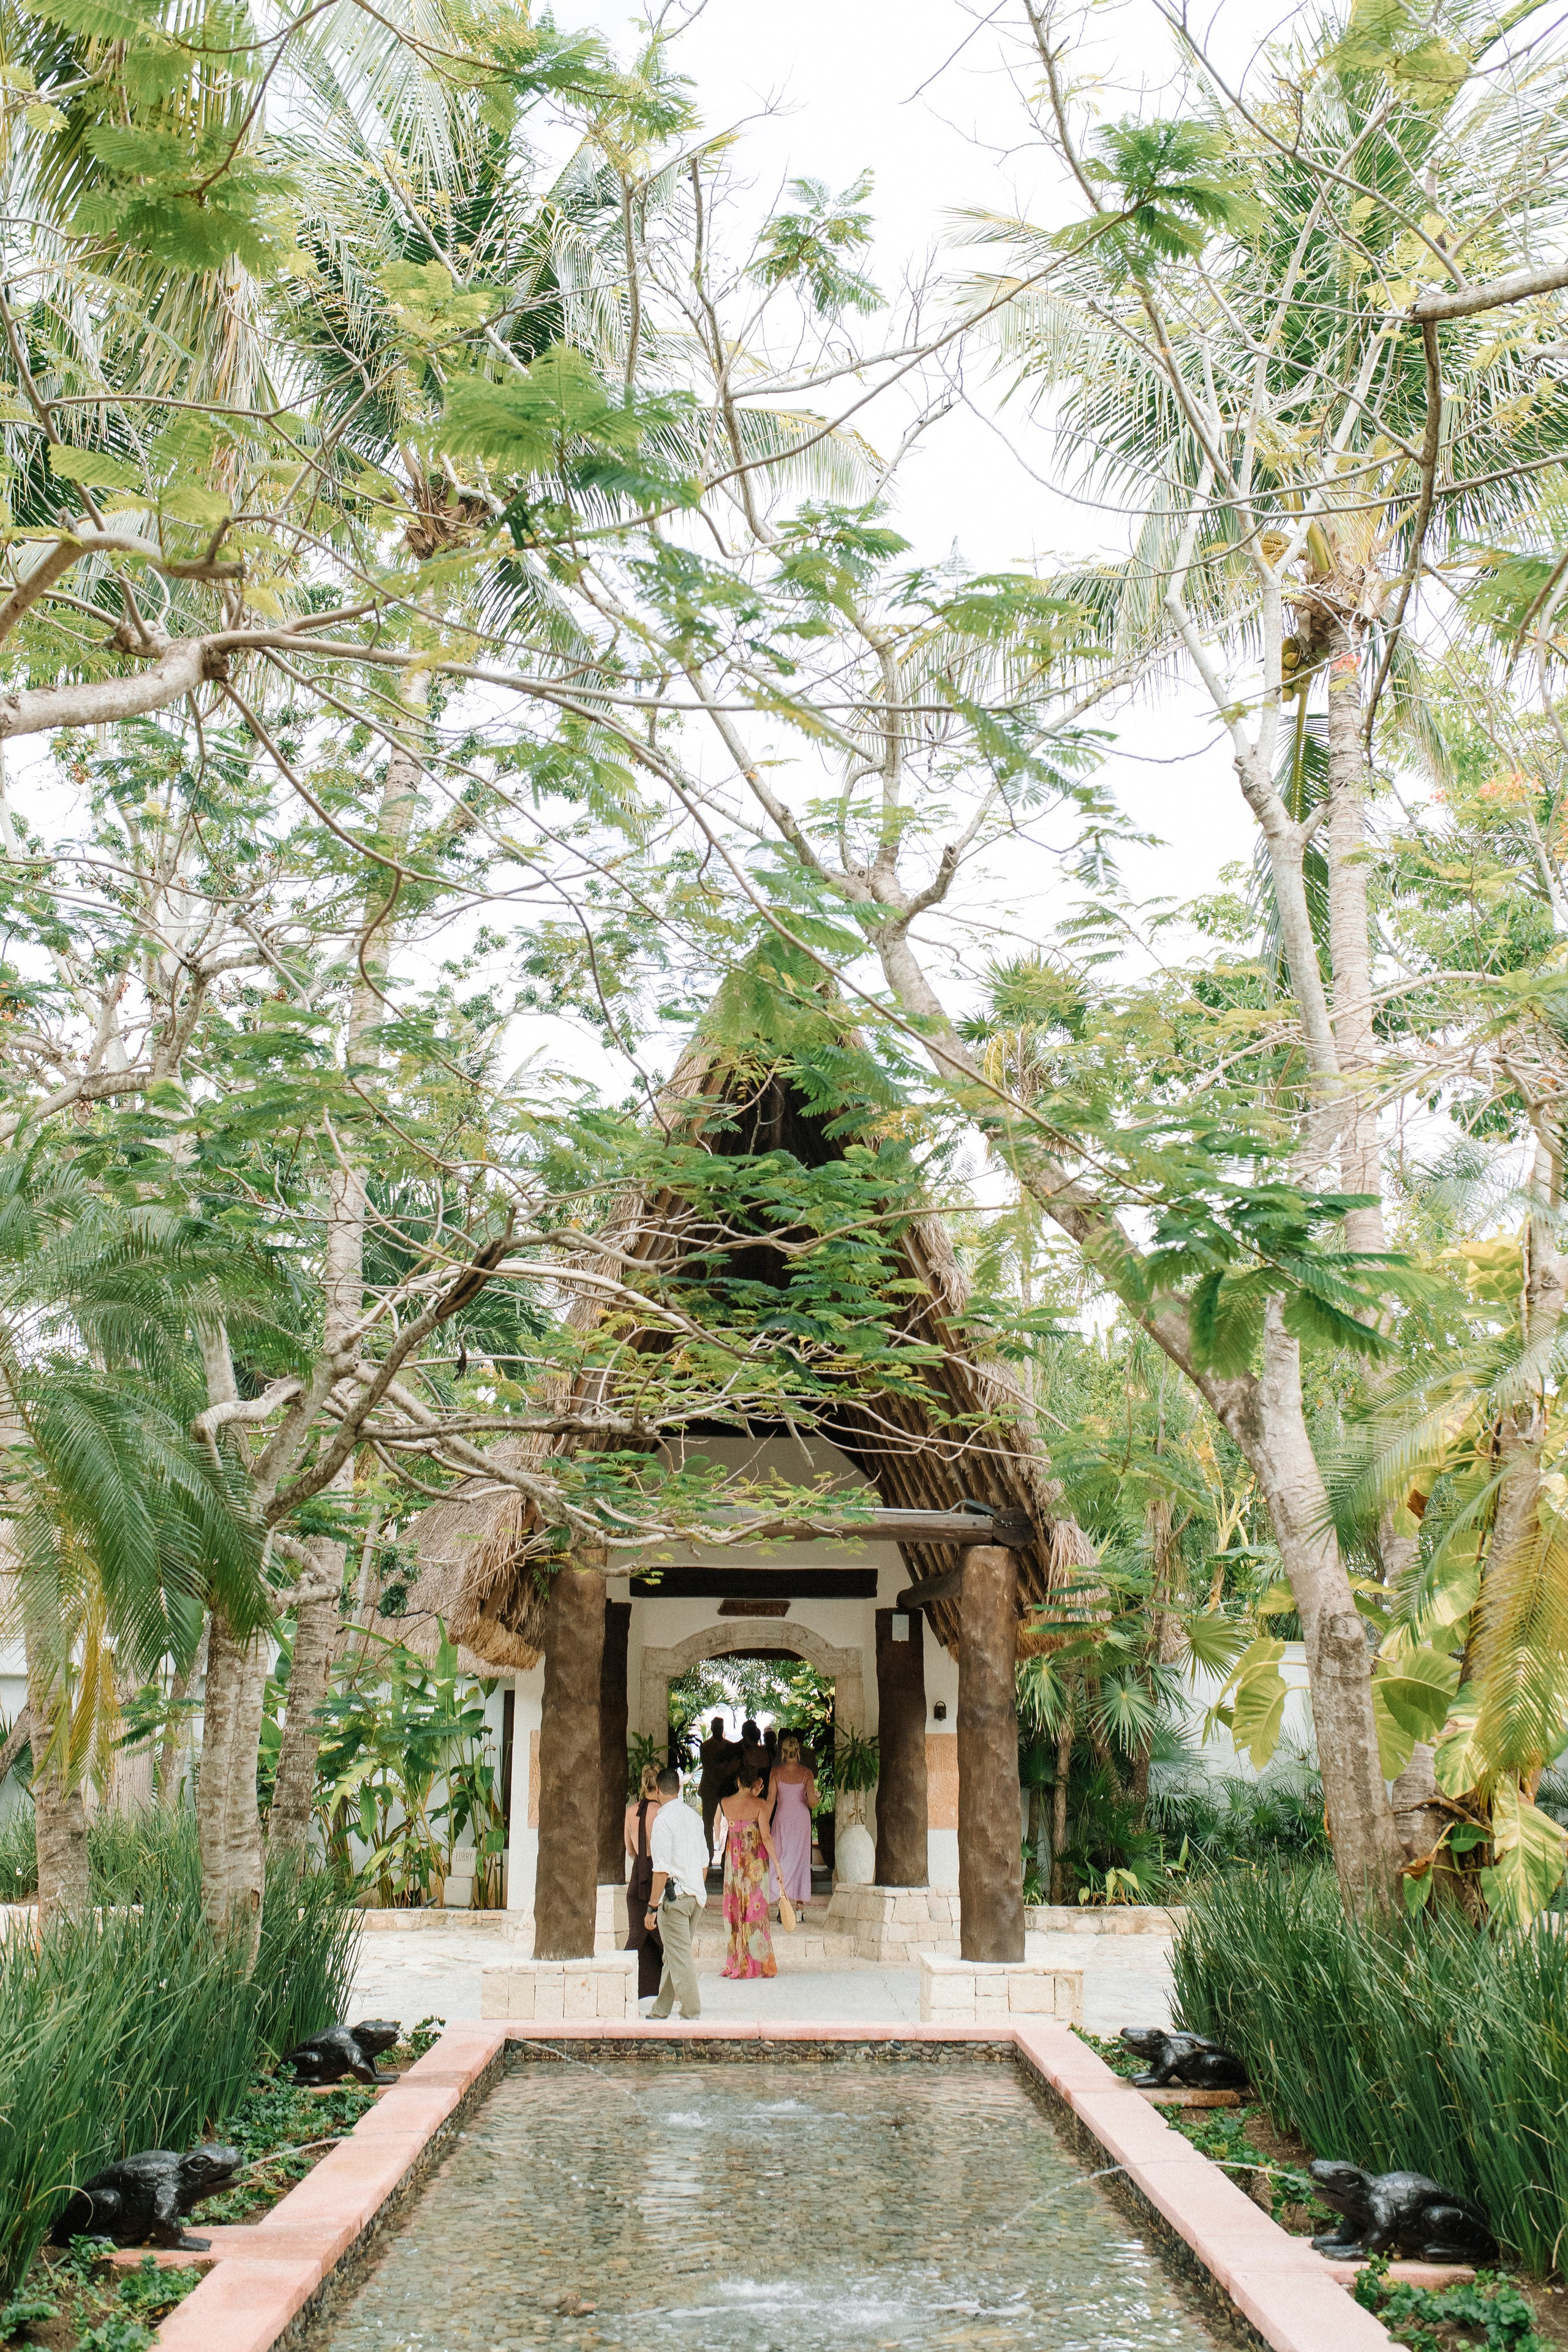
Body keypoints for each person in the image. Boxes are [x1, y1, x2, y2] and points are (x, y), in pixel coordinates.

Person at [645, 1768, 710, 2020]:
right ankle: (660, 2009)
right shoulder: (694, 1818)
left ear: (658, 1791)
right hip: (696, 1897)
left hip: (676, 1898)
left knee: (680, 1957)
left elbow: (660, 1871)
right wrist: (695, 1888)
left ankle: (692, 2011)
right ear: (679, 1788)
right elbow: (704, 1863)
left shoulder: (662, 1821)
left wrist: (652, 1907)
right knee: (673, 1954)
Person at [717, 1765, 780, 1980]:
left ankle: (736, 1960)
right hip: (755, 1863)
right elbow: (767, 1837)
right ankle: (756, 1962)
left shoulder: (725, 1803)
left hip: (733, 1862)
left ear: (737, 1781)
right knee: (755, 1911)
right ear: (755, 1784)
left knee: (734, 1909)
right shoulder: (760, 1804)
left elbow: (718, 1830)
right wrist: (778, 1867)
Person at [623, 1763, 665, 2000]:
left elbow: (630, 1850)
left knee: (635, 1937)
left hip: (637, 1877)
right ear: (659, 1786)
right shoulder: (663, 1813)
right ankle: (672, 1991)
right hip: (659, 1877)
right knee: (665, 1938)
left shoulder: (630, 1812)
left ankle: (625, 1987)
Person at [767, 1732, 818, 1914]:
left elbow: (770, 1802)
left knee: (780, 1859)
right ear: (798, 1752)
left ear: (783, 1753)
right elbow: (811, 1802)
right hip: (801, 1820)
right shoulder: (807, 1773)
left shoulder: (775, 1773)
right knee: (800, 1860)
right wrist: (816, 1798)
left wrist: (763, 1823)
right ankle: (799, 1907)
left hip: (782, 1818)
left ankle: (783, 1902)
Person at [696, 1716, 735, 1860]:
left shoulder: (730, 1746)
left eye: (720, 1727)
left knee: (733, 1822)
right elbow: (710, 1768)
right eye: (716, 1727)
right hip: (710, 1789)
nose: (718, 1729)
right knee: (707, 1823)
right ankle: (708, 1855)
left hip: (725, 1790)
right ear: (712, 1728)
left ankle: (728, 1855)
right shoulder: (705, 1747)